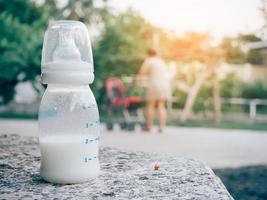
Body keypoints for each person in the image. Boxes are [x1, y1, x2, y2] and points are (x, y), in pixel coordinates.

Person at [137, 49, 172, 133]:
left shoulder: (149, 60)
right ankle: (161, 127)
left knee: (150, 105)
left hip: (154, 84)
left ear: (148, 54)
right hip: (165, 85)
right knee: (161, 105)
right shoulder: (161, 62)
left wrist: (138, 81)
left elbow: (142, 72)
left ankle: (149, 126)